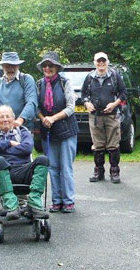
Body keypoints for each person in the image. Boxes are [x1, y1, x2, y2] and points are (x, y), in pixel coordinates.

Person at [0, 105, 49, 220]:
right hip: (2, 171)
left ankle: (34, 204)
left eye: (8, 116)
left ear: (13, 118)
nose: (5, 119)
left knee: (43, 159)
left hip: (23, 170)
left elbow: (27, 148)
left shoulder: (23, 132)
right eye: (1, 117)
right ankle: (11, 206)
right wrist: (9, 143)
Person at [36, 51, 78, 213]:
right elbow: (36, 107)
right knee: (52, 167)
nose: (48, 68)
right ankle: (56, 201)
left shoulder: (64, 82)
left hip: (66, 130)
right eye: (45, 65)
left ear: (57, 67)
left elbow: (70, 108)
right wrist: (43, 118)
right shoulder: (39, 84)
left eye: (51, 65)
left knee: (65, 167)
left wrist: (52, 118)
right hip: (48, 132)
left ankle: (68, 201)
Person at [81, 52, 127, 183]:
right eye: (98, 61)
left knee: (113, 145)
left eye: (103, 61)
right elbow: (83, 94)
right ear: (94, 62)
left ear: (107, 62)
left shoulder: (114, 76)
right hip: (95, 116)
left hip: (112, 115)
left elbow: (123, 93)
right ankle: (98, 172)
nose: (101, 64)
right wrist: (87, 103)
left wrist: (114, 104)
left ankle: (114, 172)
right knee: (98, 145)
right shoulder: (89, 77)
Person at [0, 52, 37, 129]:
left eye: (13, 65)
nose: (11, 69)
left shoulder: (26, 80)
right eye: (7, 66)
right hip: (2, 129)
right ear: (2, 67)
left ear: (18, 66)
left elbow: (31, 102)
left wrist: (20, 121)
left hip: (22, 130)